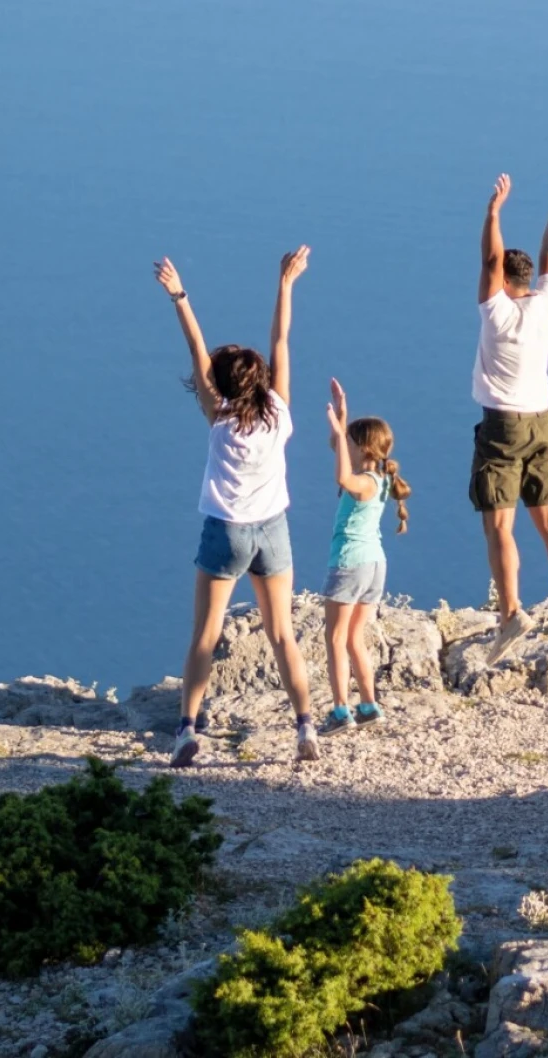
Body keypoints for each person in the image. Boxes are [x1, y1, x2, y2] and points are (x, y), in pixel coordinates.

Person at [154, 248, 320, 767]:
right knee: (281, 634)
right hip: (272, 532)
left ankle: (186, 730)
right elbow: (281, 341)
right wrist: (286, 284)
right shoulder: (280, 413)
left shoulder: (218, 417)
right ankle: (304, 727)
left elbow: (196, 348)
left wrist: (180, 295)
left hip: (225, 531)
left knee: (205, 634)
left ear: (221, 385)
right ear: (261, 380)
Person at [473, 153, 548, 664]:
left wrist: (494, 213)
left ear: (502, 283)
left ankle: (512, 612)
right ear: (531, 279)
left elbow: (489, 264)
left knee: (500, 527)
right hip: (543, 423)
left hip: (501, 428)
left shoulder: (495, 313)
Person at [318, 377, 412, 733]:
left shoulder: (366, 483)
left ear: (363, 450)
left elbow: (343, 477)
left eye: (349, 444)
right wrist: (342, 415)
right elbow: (337, 448)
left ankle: (341, 711)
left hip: (349, 564)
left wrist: (338, 430)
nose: (343, 447)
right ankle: (369, 705)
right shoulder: (384, 478)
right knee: (356, 637)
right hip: (375, 565)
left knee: (336, 638)